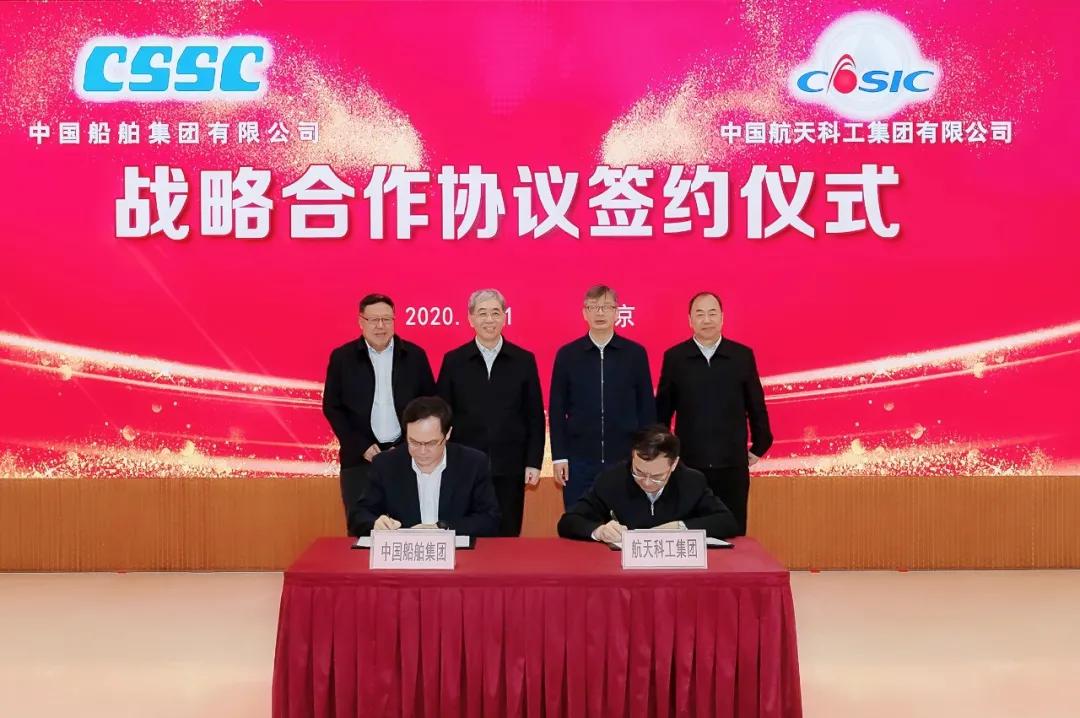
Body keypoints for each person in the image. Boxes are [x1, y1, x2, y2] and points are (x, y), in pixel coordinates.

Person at [655, 292, 772, 535]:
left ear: (722, 318)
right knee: (689, 533)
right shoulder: (676, 358)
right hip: (688, 466)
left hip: (731, 466)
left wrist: (760, 445)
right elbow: (662, 413)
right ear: (690, 320)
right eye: (700, 314)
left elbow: (756, 406)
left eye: (712, 313)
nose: (706, 320)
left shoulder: (741, 356)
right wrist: (664, 455)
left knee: (732, 533)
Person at [436, 289, 545, 536]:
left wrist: (533, 462)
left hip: (511, 466)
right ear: (470, 318)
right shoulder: (454, 361)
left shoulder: (523, 360)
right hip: (464, 466)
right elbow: (441, 415)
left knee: (508, 534)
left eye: (495, 313)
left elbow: (534, 416)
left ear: (504, 317)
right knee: (466, 534)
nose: (489, 319)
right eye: (482, 313)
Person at [322, 294, 435, 523]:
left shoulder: (415, 356)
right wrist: (360, 445)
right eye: (374, 320)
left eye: (386, 319)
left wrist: (409, 445)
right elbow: (332, 407)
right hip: (359, 459)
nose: (380, 326)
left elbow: (429, 406)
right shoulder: (343, 358)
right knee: (363, 525)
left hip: (409, 457)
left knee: (410, 525)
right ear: (361, 321)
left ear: (394, 320)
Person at [549, 285, 656, 509]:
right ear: (584, 313)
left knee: (626, 520)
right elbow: (557, 410)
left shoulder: (635, 354)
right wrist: (559, 457)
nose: (600, 313)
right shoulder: (568, 355)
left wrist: (646, 454)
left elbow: (646, 408)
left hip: (625, 458)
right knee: (580, 520)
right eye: (593, 307)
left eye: (606, 307)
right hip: (579, 461)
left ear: (617, 312)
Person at [348, 396, 501, 537]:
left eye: (431, 443)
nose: (422, 451)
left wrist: (444, 528)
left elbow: (490, 519)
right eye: (413, 442)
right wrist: (375, 523)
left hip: (458, 553)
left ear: (447, 434)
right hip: (405, 553)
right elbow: (359, 515)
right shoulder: (386, 464)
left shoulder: (472, 463)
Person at [557, 425, 737, 542]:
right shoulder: (611, 480)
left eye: (657, 476)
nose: (647, 482)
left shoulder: (691, 482)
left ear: (674, 464)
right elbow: (568, 522)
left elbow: (726, 521)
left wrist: (679, 528)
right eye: (639, 472)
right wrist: (599, 531)